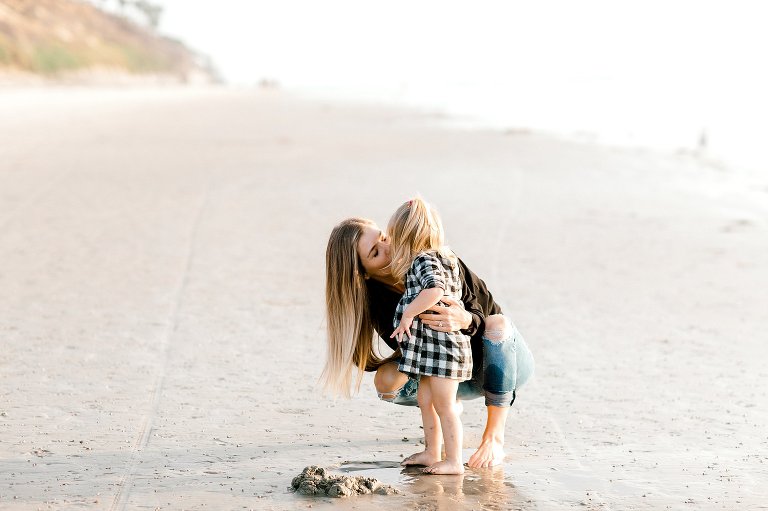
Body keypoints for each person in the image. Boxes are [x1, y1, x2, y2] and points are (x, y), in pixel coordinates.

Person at [322, 212, 535, 469]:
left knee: (498, 325)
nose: (389, 247)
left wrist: (465, 320)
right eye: (376, 253)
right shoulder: (376, 302)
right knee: (386, 381)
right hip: (446, 369)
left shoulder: (435, 259)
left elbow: (489, 308)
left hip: (499, 364)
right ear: (363, 273)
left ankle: (494, 437)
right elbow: (408, 349)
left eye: (384, 238)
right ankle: (442, 420)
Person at [388, 197, 472, 475]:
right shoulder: (446, 257)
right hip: (433, 349)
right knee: (425, 399)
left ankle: (454, 461)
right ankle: (431, 451)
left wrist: (409, 314)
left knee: (444, 404)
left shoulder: (424, 259)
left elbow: (434, 290)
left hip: (444, 349)